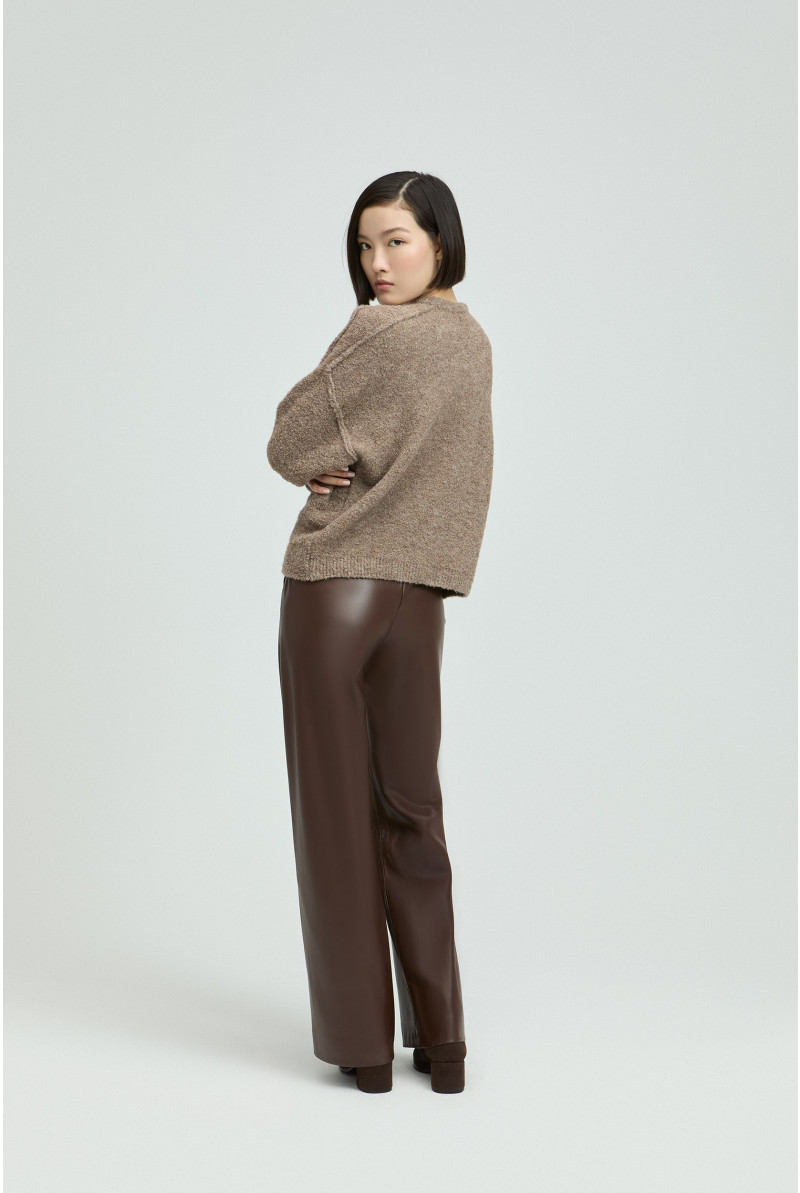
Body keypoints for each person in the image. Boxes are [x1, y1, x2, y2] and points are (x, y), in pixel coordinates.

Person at [266, 171, 494, 1094]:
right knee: (413, 810)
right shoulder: (472, 341)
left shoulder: (374, 334)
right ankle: (444, 1043)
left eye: (397, 240)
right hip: (418, 600)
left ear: (441, 240)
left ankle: (363, 1050)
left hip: (336, 587)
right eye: (365, 246)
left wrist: (325, 457)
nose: (377, 265)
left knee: (334, 818)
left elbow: (289, 440)